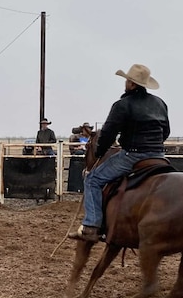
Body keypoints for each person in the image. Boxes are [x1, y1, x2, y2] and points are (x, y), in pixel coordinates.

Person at [69, 64, 170, 243]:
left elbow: (108, 133)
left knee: (92, 179)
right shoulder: (160, 103)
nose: (125, 83)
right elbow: (166, 131)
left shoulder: (122, 105)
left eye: (127, 80)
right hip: (159, 157)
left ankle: (91, 226)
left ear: (131, 84)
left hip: (133, 155)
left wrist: (99, 151)